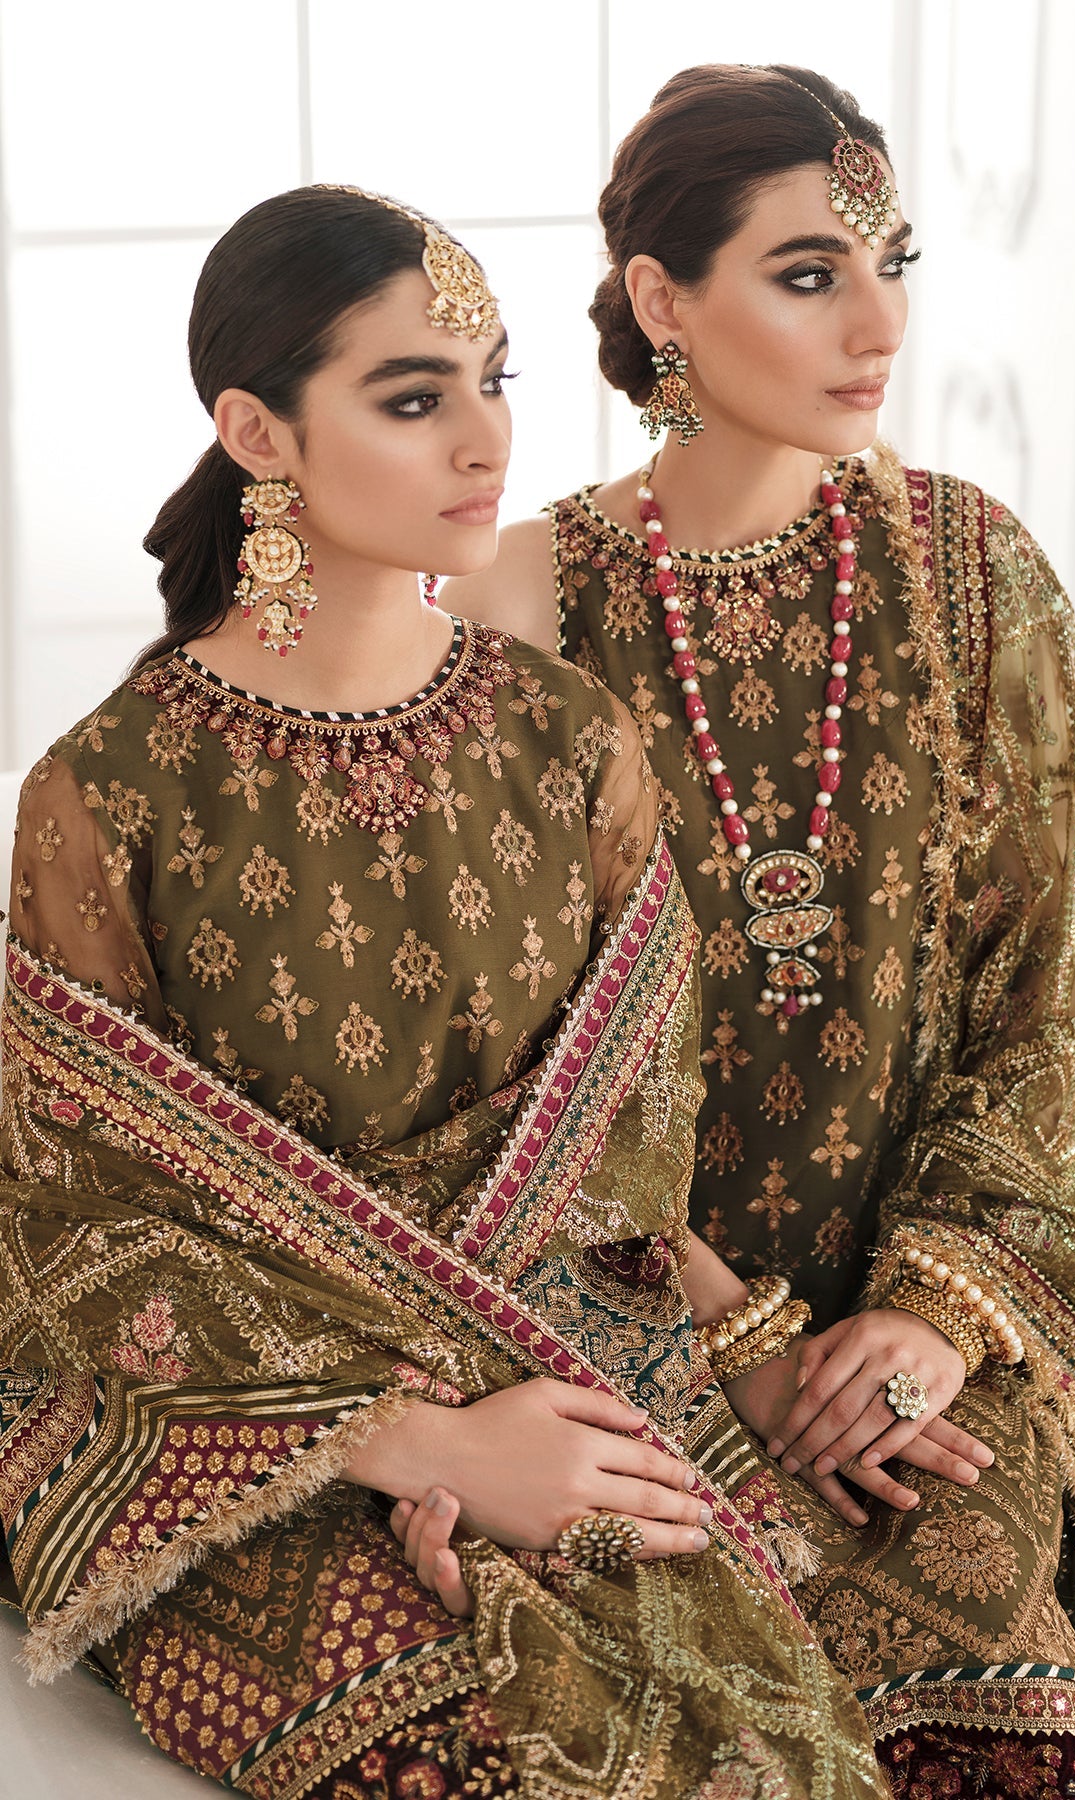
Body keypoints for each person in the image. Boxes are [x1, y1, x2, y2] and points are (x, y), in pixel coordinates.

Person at [0, 184, 892, 1798]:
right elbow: (87, 1218)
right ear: (257, 432)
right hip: (246, 1433)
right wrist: (416, 1443)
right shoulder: (107, 791)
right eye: (415, 400)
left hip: (578, 1356)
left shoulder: (571, 739)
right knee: (503, 1745)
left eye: (495, 382)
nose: (486, 440)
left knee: (892, 1685)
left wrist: (731, 1353)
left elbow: (627, 1151)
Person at [447, 64, 1075, 1798]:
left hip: (926, 1312)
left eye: (892, 262)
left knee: (1001, 1637)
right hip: (620, 1315)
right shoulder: (523, 604)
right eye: (809, 274)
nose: (881, 325)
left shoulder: (969, 569)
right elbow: (492, 1053)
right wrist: (728, 1339)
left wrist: (933, 1310)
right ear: (662, 302)